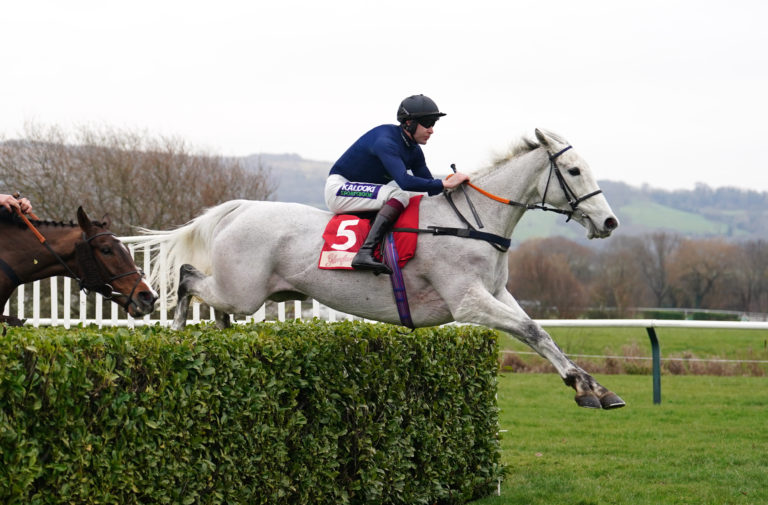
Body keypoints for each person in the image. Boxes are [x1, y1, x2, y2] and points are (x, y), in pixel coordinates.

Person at [325, 94, 470, 275]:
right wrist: (445, 183)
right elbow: (405, 182)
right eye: (428, 122)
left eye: (434, 123)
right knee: (399, 195)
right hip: (339, 189)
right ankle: (365, 252)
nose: (432, 130)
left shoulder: (414, 150)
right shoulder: (385, 141)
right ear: (409, 123)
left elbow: (430, 189)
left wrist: (453, 192)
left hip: (361, 193)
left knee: (417, 198)